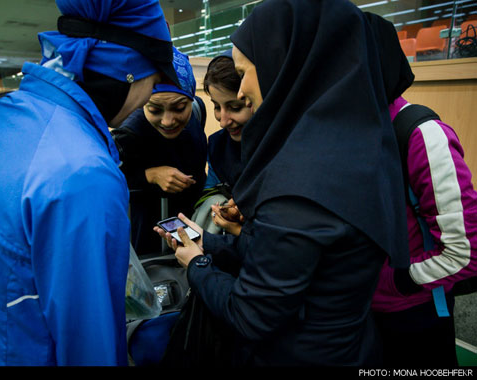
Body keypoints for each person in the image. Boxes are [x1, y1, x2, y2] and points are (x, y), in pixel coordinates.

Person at [156, 0, 410, 367]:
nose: (241, 90)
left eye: (244, 72)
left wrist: (197, 263)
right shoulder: (355, 146)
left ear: (286, 65)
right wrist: (205, 240)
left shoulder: (302, 182)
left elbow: (250, 314)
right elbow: (288, 259)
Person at [0, 0, 180, 366]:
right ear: (129, 70)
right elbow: (91, 347)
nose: (143, 104)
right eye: (153, 84)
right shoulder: (84, 173)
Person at [367, 12, 477, 368]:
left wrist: (393, 282)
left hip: (415, 315)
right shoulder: (348, 135)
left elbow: (464, 252)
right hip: (360, 314)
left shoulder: (422, 134)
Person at [111, 47, 207, 256]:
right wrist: (150, 175)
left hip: (192, 220)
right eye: (155, 110)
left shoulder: (198, 111)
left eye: (180, 108)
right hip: (149, 234)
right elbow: (106, 179)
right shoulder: (129, 133)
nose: (168, 121)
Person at [192, 50, 249, 236]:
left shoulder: (284, 148)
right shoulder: (217, 145)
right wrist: (226, 208)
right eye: (217, 106)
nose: (223, 121)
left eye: (235, 108)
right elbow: (210, 191)